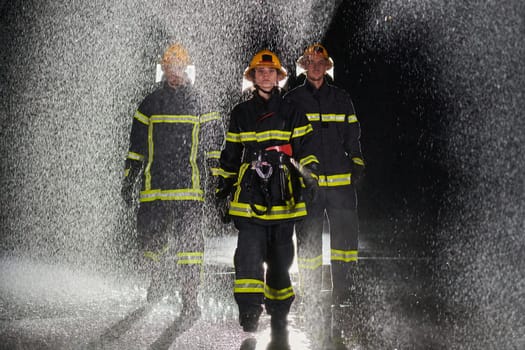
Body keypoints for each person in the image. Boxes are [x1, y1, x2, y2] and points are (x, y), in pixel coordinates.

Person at [214, 49, 319, 336]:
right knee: (248, 256)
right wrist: (223, 187)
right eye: (260, 71)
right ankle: (249, 311)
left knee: (281, 258)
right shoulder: (241, 113)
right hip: (250, 196)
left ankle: (279, 308)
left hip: (284, 195)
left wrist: (310, 180)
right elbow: (232, 154)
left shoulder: (293, 112)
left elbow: (306, 151)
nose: (265, 75)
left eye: (270, 71)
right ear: (253, 77)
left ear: (278, 77)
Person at [121, 43, 222, 320]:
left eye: (178, 67)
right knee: (150, 245)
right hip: (154, 190)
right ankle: (158, 279)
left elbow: (214, 146)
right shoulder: (150, 103)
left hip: (189, 191)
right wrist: (129, 180)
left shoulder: (200, 102)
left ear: (186, 69)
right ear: (163, 69)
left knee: (190, 249)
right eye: (169, 67)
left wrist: (217, 181)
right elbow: (136, 147)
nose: (174, 72)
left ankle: (189, 299)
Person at [284, 43, 365, 343]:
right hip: (309, 185)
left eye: (320, 62)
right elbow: (288, 140)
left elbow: (353, 136)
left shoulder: (341, 98)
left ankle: (344, 291)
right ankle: (310, 294)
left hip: (342, 183)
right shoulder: (292, 100)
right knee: (308, 244)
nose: (315, 66)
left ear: (327, 66)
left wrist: (357, 162)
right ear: (304, 66)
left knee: (345, 243)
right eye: (310, 62)